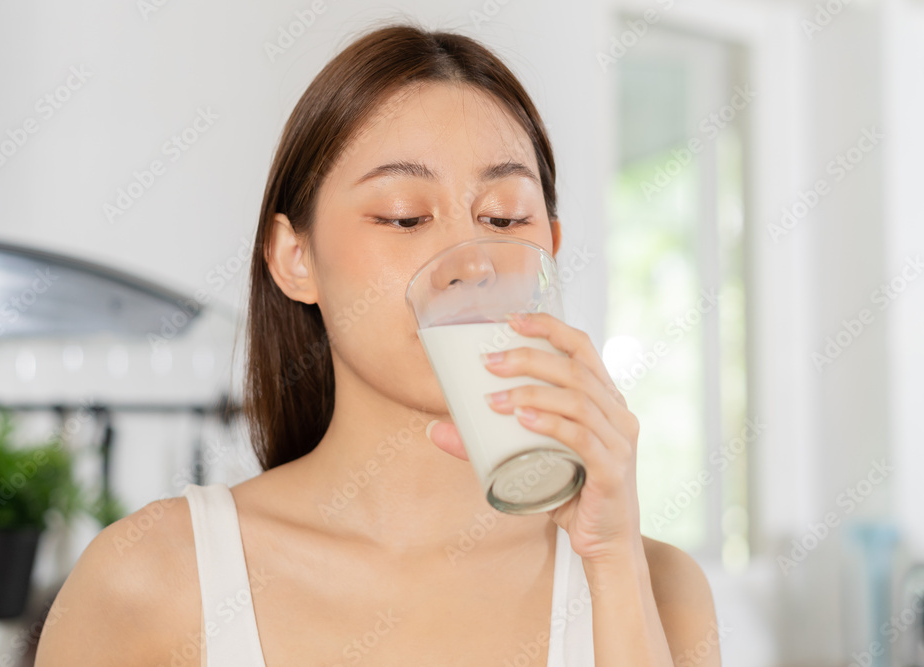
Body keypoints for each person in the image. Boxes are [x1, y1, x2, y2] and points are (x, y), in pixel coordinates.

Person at [35, 21, 719, 666]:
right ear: (295, 257)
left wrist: (613, 563)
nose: (470, 261)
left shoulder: (656, 586)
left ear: (551, 251)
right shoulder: (145, 579)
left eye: (504, 217)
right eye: (404, 216)